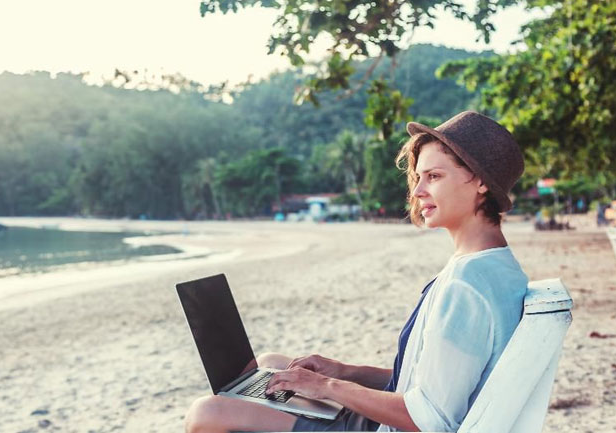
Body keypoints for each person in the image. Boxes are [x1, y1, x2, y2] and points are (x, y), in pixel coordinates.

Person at [183, 111, 529, 433]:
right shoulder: (494, 266)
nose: (419, 190)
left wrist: (330, 387)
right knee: (271, 364)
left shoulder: (466, 286)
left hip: (392, 426)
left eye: (434, 176)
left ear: (480, 182)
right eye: (418, 177)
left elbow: (429, 418)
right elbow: (437, 380)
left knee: (206, 413)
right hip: (398, 415)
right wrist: (344, 372)